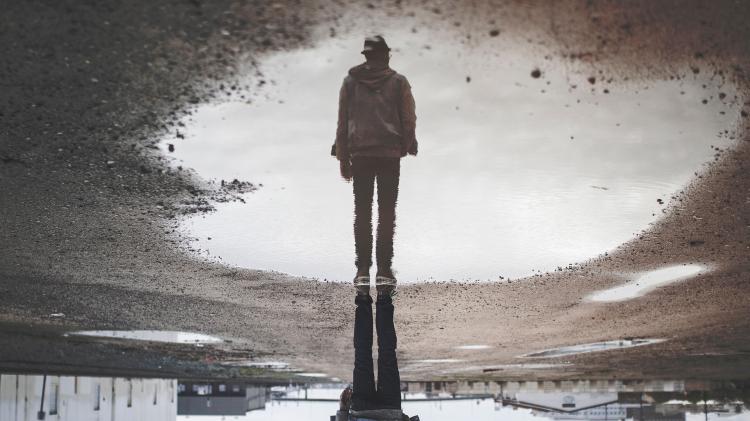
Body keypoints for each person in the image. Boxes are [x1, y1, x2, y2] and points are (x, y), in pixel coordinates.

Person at [332, 34, 417, 291]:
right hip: (389, 155)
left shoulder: (350, 83)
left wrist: (342, 157)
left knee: (362, 212)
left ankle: (361, 271)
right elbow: (409, 118)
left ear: (366, 56)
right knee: (387, 212)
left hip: (360, 154)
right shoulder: (399, 82)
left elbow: (342, 122)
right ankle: (384, 270)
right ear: (386, 55)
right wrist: (405, 145)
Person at [333, 288, 418, 421]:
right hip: (361, 411)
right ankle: (363, 297)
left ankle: (384, 297)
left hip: (390, 412)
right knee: (362, 354)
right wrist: (342, 410)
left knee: (387, 353)